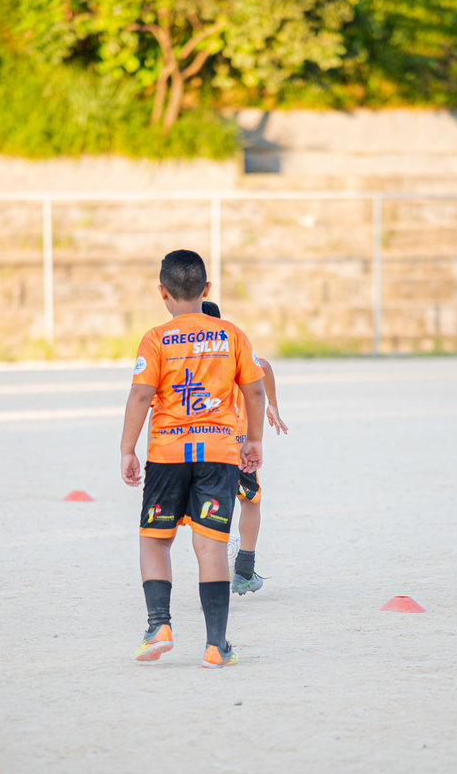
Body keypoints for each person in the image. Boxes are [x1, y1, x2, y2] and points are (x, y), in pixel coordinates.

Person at [119, 250, 266, 669]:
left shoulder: (156, 338)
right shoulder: (231, 334)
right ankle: (216, 645)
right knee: (210, 545)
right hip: (218, 451)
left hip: (167, 453)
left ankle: (158, 626)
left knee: (155, 539)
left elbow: (141, 395)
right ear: (207, 290)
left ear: (162, 292)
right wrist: (254, 440)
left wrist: (128, 448)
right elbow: (255, 390)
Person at [201, 301, 289, 596]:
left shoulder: (184, 358)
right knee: (249, 502)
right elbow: (264, 366)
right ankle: (244, 570)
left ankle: (213, 582)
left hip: (199, 446)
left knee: (208, 508)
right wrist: (273, 405)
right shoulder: (232, 352)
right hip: (236, 445)